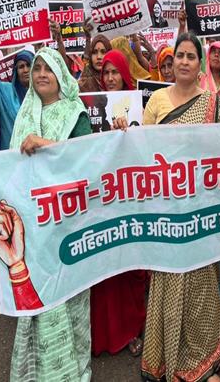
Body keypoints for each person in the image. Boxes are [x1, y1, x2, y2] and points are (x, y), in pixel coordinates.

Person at [130, 31, 220, 382]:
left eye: (191, 56)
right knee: (168, 279)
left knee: (199, 284)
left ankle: (199, 360)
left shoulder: (213, 103)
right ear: (172, 63)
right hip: (166, 209)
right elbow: (141, 151)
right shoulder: (157, 100)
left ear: (200, 63)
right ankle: (167, 358)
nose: (184, 61)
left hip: (201, 209)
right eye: (180, 56)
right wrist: (123, 132)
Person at [0, 47, 92, 381]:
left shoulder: (74, 113)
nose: (40, 74)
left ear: (60, 75)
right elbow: (9, 166)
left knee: (69, 296)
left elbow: (88, 160)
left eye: (48, 69)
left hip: (67, 221)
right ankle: (41, 371)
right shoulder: (25, 114)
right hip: (33, 224)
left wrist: (46, 144)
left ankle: (73, 368)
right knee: (38, 297)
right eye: (36, 69)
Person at [91, 48, 147, 357]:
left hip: (130, 197)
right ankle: (104, 331)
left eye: (116, 72)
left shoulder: (137, 106)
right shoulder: (91, 106)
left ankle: (131, 329)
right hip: (102, 198)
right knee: (105, 268)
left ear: (125, 75)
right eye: (106, 72)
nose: (110, 78)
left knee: (128, 266)